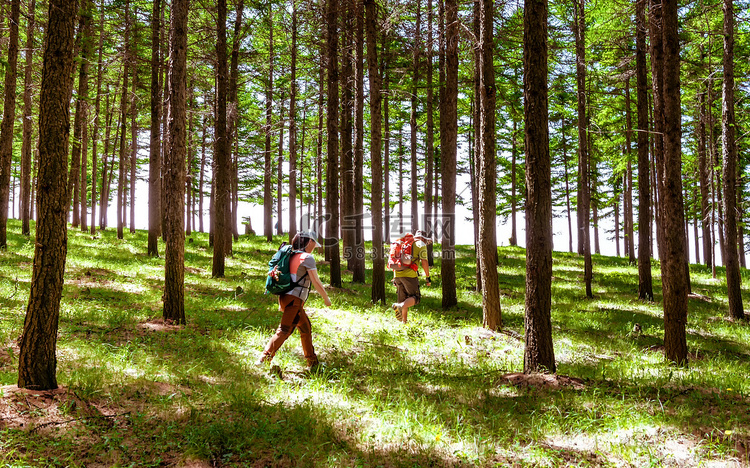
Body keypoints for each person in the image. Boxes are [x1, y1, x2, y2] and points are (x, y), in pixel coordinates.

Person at [257, 230, 332, 370]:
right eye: (314, 243)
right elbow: (315, 280)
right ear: (309, 241)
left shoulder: (290, 255)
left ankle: (313, 363)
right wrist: (326, 298)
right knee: (284, 330)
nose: (315, 247)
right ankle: (263, 360)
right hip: (294, 301)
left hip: (286, 298)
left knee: (305, 329)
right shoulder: (307, 258)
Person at [391, 230, 431, 324]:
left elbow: (397, 260)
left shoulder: (404, 243)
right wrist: (428, 277)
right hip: (409, 275)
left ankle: (404, 322)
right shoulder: (421, 244)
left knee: (404, 300)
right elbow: (424, 261)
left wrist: (394, 278)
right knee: (415, 298)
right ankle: (399, 306)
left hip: (397, 273)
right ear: (423, 238)